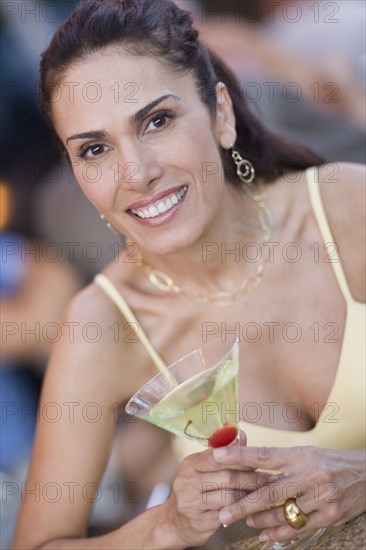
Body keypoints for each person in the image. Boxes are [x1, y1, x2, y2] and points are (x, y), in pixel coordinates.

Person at [13, 1, 365, 549]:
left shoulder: (345, 208)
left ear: (220, 114)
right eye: (95, 149)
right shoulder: (102, 326)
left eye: (157, 121)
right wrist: (167, 525)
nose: (136, 174)